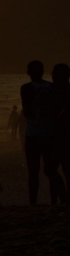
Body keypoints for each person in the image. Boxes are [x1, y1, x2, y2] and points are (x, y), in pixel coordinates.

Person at [20, 60, 66, 205]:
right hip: (50, 133)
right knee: (51, 170)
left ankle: (33, 203)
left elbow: (28, 113)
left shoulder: (26, 88)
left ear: (28, 73)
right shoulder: (51, 87)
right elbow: (59, 108)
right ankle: (57, 200)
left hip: (34, 134)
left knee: (33, 172)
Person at [53, 63, 70, 197]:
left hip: (61, 134)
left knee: (53, 169)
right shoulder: (54, 89)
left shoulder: (60, 90)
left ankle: (64, 197)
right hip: (59, 133)